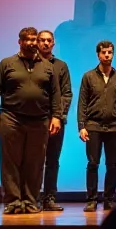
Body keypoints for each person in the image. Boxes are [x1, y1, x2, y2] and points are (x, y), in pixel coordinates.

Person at [0, 27, 62, 215]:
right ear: (19, 42)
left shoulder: (47, 66)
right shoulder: (7, 63)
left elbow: (55, 94)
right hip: (11, 118)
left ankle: (30, 201)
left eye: (33, 39)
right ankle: (12, 201)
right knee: (10, 162)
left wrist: (57, 117)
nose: (31, 42)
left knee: (35, 163)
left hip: (40, 120)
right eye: (26, 39)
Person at [77, 40, 116, 211]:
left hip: (115, 126)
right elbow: (82, 103)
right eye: (104, 52)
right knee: (93, 164)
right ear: (98, 55)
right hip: (93, 126)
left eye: (110, 52)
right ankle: (91, 200)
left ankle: (109, 199)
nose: (107, 55)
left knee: (112, 165)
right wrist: (81, 126)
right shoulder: (88, 76)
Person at [36, 30, 73, 211]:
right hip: (34, 121)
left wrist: (58, 116)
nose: (45, 43)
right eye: (41, 40)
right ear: (36, 43)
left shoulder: (61, 66)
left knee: (52, 161)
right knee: (33, 161)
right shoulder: (29, 64)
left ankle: (49, 198)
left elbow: (67, 94)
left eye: (48, 40)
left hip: (56, 122)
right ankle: (32, 198)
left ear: (53, 43)